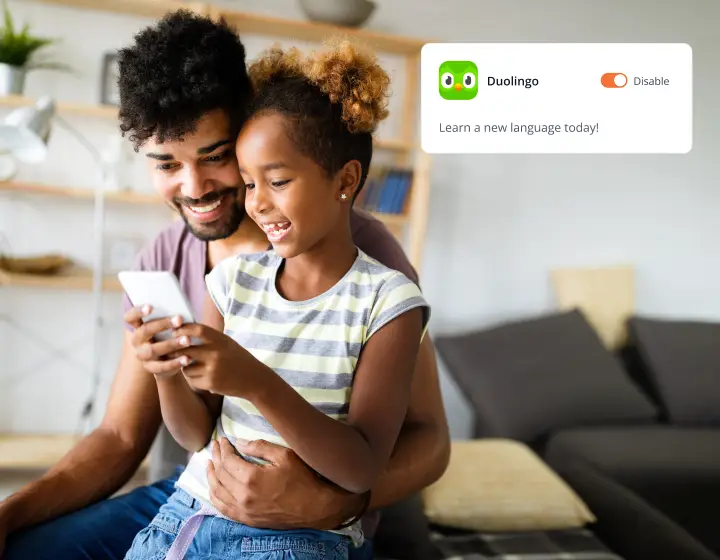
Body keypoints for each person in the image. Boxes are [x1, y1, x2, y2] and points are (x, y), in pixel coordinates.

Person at [0, 10, 450, 560]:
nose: (195, 188)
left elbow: (429, 440)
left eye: (215, 158)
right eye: (166, 164)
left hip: (324, 517)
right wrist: (9, 514)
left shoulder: (367, 260)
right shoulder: (172, 260)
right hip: (195, 495)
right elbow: (122, 437)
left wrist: (328, 506)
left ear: (244, 134)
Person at [124, 39, 431, 560]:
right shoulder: (232, 283)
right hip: (190, 512)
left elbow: (360, 468)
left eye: (278, 180)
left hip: (297, 539)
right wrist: (165, 372)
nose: (256, 202)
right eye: (247, 182)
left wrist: (258, 383)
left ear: (346, 180)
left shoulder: (388, 301)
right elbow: (194, 434)